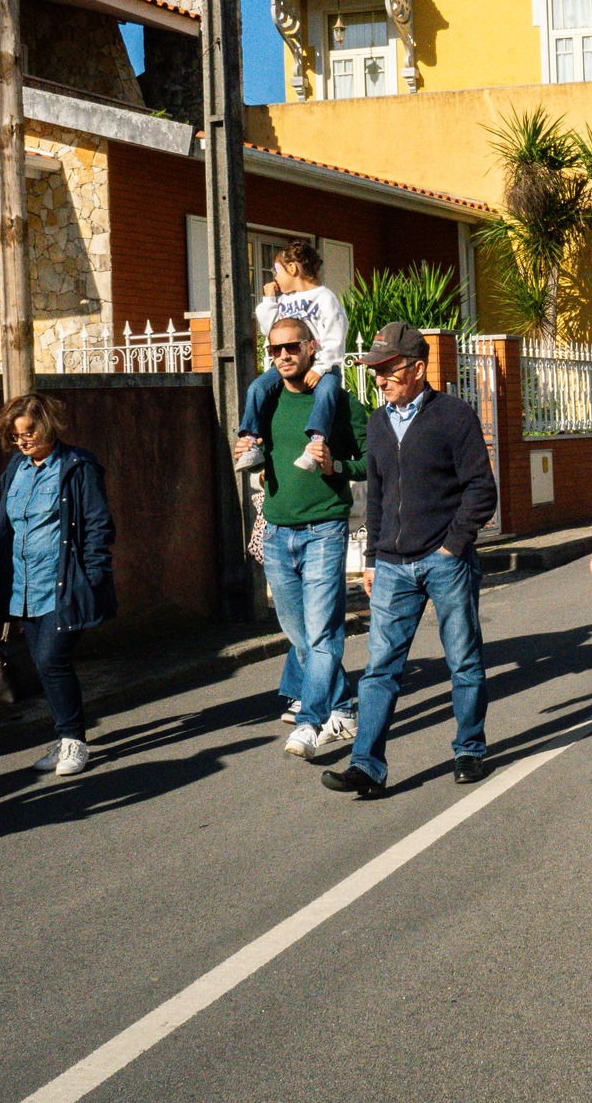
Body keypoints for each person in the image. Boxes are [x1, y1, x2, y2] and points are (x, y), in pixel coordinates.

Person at [322, 322, 500, 798]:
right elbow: (377, 496)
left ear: (418, 368)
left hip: (445, 561)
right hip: (393, 566)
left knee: (463, 661)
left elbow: (482, 491)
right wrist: (373, 559)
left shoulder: (454, 416)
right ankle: (367, 765)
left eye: (388, 370)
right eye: (375, 371)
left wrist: (452, 545)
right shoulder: (378, 424)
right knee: (380, 668)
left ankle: (468, 749)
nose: (379, 379)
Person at [238, 317, 370, 760]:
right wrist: (249, 454)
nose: (283, 356)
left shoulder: (339, 401)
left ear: (312, 347)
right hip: (277, 531)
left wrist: (335, 467)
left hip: (324, 530)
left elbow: (371, 462)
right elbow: (259, 456)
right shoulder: (267, 398)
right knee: (299, 635)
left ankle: (312, 722)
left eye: (291, 347)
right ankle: (345, 707)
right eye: (274, 350)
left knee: (323, 633)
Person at [0, 392, 116, 778]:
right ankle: (64, 738)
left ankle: (75, 740)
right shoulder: (16, 470)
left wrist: (91, 578)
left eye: (28, 433)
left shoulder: (77, 466)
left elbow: (98, 525)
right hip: (24, 586)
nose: (22, 442)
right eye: (15, 437)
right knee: (43, 664)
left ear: (47, 426)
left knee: (51, 659)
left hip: (65, 584)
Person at [235, 240, 348, 475]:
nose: (275, 278)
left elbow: (336, 334)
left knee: (327, 393)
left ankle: (316, 443)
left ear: (293, 269)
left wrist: (322, 367)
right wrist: (269, 300)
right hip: (289, 365)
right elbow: (271, 331)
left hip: (321, 365)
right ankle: (251, 441)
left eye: (277, 272)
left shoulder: (324, 298)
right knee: (256, 388)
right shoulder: (285, 301)